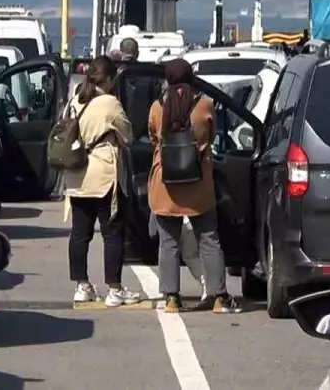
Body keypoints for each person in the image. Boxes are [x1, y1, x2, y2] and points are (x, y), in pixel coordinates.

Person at [148, 58, 240, 314]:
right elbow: (211, 136)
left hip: (166, 184)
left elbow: (153, 135)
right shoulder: (204, 105)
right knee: (209, 240)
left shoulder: (157, 107)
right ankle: (219, 296)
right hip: (198, 183)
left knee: (169, 243)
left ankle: (171, 299)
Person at [63, 55, 144, 307]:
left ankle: (82, 285)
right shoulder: (110, 103)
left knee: (79, 234)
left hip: (77, 175)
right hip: (103, 174)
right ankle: (115, 290)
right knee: (112, 234)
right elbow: (128, 132)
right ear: (109, 79)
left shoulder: (75, 100)